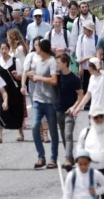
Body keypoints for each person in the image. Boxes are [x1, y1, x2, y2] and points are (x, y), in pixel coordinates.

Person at [27, 39, 59, 169]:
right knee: (35, 127)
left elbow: (54, 80)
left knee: (52, 130)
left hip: (50, 101)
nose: (36, 48)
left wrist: (39, 78)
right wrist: (30, 75)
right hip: (37, 99)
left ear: (42, 48)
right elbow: (35, 78)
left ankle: (53, 158)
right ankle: (41, 156)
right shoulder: (37, 61)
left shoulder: (52, 61)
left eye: (38, 46)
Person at [76, 107, 104, 199]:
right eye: (96, 117)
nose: (99, 119)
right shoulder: (85, 133)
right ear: (91, 118)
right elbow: (79, 150)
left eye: (101, 116)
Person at [55, 53, 83, 171]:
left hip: (70, 112)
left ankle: (67, 159)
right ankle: (70, 158)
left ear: (65, 63)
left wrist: (74, 107)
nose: (56, 64)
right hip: (58, 111)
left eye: (58, 62)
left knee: (68, 135)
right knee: (63, 135)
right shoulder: (56, 77)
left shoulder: (73, 78)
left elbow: (81, 95)